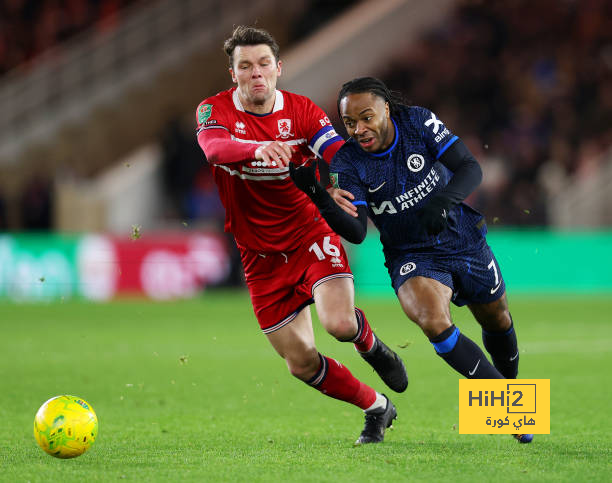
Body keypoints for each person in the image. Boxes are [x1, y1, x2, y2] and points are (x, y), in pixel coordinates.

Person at [289, 76, 533, 444]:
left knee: (497, 317)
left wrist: (443, 200)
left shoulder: (418, 122)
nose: (359, 129)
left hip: (460, 236)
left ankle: (508, 396)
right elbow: (356, 231)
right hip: (410, 255)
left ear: (386, 108)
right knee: (433, 321)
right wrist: (317, 195)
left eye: (366, 117)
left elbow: (469, 168)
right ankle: (512, 410)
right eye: (350, 123)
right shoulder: (347, 162)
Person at [195, 28, 408, 444]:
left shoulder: (304, 112)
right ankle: (378, 408)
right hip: (258, 254)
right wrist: (254, 149)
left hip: (310, 234)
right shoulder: (212, 110)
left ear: (278, 68)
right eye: (245, 66)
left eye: (262, 64)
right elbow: (214, 149)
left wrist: (345, 180)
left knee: (340, 324)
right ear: (233, 73)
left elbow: (337, 153)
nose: (255, 73)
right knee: (300, 363)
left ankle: (372, 346)